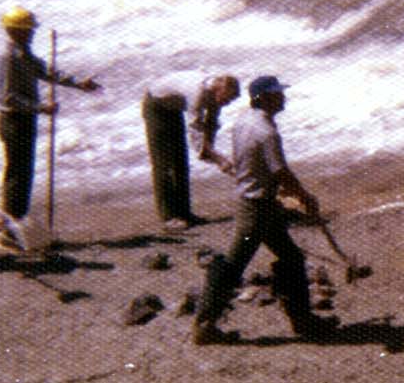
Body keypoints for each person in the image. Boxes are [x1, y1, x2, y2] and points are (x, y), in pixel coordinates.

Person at [193, 74, 336, 346]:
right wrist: (303, 196)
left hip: (261, 205)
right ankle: (204, 325)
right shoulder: (266, 132)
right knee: (233, 266)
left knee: (292, 258)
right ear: (262, 98)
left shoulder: (243, 121)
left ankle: (302, 320)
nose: (283, 98)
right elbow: (280, 170)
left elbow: (254, 165)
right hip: (256, 211)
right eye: (276, 94)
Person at [0, 4, 101, 244]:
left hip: (24, 119)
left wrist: (79, 83)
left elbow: (45, 72)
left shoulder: (22, 53)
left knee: (23, 173)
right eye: (27, 30)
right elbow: (8, 97)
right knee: (16, 176)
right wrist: (41, 108)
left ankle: (15, 225)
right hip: (13, 119)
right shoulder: (7, 56)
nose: (32, 34)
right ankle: (10, 229)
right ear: (14, 31)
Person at [142, 74, 240, 227]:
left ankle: (184, 213)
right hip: (156, 106)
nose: (227, 104)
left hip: (174, 108)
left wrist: (210, 153)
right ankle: (168, 217)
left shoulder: (215, 95)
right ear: (218, 90)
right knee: (164, 164)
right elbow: (196, 131)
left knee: (180, 162)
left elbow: (211, 123)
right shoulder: (197, 94)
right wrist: (216, 158)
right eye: (227, 99)